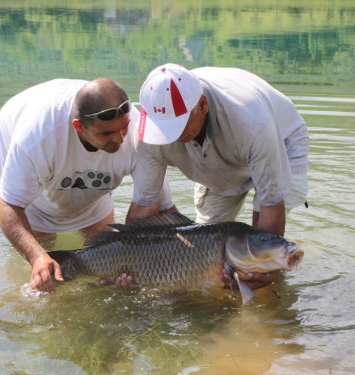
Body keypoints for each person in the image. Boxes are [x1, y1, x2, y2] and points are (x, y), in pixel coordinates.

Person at [127, 64, 309, 290]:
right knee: (205, 250)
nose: (166, 136)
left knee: (259, 267)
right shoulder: (148, 132)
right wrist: (126, 262)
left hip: (281, 141)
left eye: (175, 127)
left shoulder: (252, 121)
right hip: (222, 152)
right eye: (161, 128)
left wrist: (265, 272)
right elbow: (145, 206)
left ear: (202, 105)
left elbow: (270, 203)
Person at [0, 78, 174, 294]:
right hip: (35, 167)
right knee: (44, 260)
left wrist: (133, 262)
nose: (119, 139)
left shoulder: (138, 135)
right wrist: (37, 255)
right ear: (79, 126)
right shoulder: (35, 140)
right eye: (107, 133)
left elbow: (158, 206)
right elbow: (8, 206)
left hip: (96, 187)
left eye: (124, 127)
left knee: (106, 252)